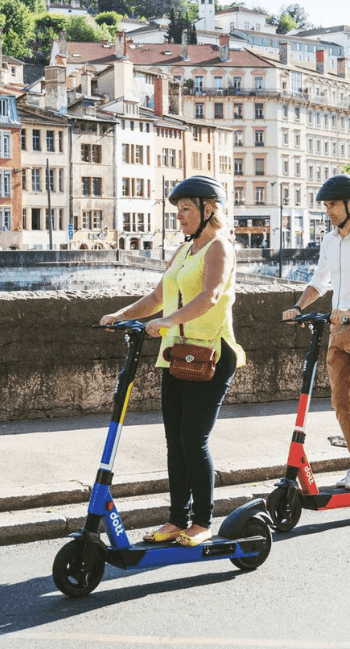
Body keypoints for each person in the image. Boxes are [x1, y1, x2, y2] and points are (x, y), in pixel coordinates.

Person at [100, 176, 244, 547]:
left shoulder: (219, 248)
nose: (178, 216)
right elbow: (157, 296)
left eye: (186, 209)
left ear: (208, 210)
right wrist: (120, 314)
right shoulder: (184, 252)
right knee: (173, 441)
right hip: (177, 354)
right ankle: (177, 519)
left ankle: (202, 522)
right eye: (177, 210)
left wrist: (167, 321)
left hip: (211, 352)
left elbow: (210, 297)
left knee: (194, 440)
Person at [281, 174, 350, 491]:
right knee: (340, 404)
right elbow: (320, 281)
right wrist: (299, 306)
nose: (328, 211)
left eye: (333, 205)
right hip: (337, 331)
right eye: (326, 205)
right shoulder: (330, 241)